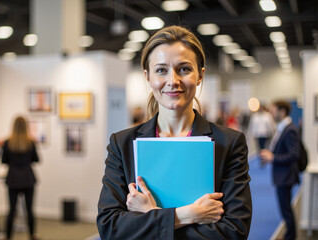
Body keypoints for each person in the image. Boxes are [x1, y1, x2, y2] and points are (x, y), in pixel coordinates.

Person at [97, 25, 252, 239]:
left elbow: (233, 232)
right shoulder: (122, 144)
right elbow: (110, 227)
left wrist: (150, 216)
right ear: (148, 77)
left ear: (200, 75)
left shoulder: (229, 143)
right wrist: (189, 214)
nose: (173, 80)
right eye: (161, 70)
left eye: (184, 69)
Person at [260, 100, 299, 240]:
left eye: (274, 110)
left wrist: (273, 157)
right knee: (285, 208)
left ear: (282, 112)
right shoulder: (284, 127)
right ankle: (290, 234)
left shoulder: (290, 129)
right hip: (282, 175)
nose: (271, 113)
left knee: (286, 209)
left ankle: (290, 236)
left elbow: (294, 155)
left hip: (285, 176)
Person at [1, 116, 40, 240]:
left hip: (13, 179)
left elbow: (4, 161)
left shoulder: (7, 142)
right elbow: (36, 159)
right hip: (28, 179)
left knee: (11, 210)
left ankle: (7, 236)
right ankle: (32, 235)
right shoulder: (31, 142)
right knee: (30, 210)